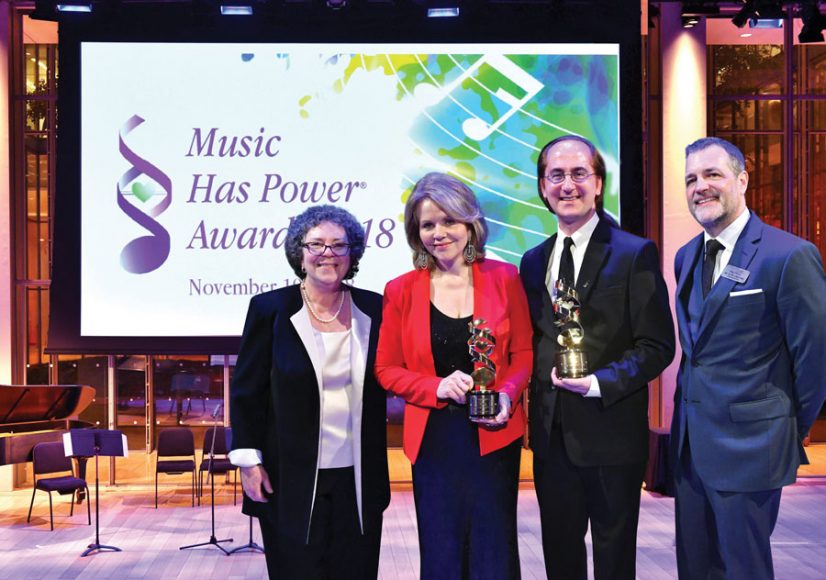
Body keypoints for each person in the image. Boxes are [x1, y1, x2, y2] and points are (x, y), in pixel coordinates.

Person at [519, 135, 675, 580]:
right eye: (556, 176)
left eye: (578, 174)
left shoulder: (633, 252)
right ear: (543, 188)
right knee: (560, 556)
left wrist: (598, 383)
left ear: (599, 183)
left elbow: (657, 346)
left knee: (614, 557)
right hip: (551, 440)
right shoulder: (533, 261)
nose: (568, 185)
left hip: (612, 433)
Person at [672, 137, 826, 579]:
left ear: (742, 180)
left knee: (744, 570)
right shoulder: (686, 256)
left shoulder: (788, 255)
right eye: (691, 179)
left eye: (712, 174)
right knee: (697, 568)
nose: (700, 186)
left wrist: (782, 428)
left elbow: (815, 359)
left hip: (750, 447)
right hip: (690, 449)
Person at [375, 172, 532, 579]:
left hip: (494, 434)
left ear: (470, 224)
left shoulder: (505, 277)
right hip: (433, 440)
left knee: (493, 550)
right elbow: (386, 369)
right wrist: (435, 386)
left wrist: (506, 395)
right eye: (427, 224)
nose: (439, 233)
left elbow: (522, 353)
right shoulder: (400, 289)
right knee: (442, 551)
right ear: (415, 231)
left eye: (449, 221)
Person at [228, 205, 390, 579]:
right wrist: (248, 462)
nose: (327, 254)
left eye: (338, 245)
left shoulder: (375, 308)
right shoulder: (270, 309)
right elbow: (247, 390)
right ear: (299, 253)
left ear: (353, 254)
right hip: (289, 478)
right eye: (316, 245)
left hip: (358, 478)